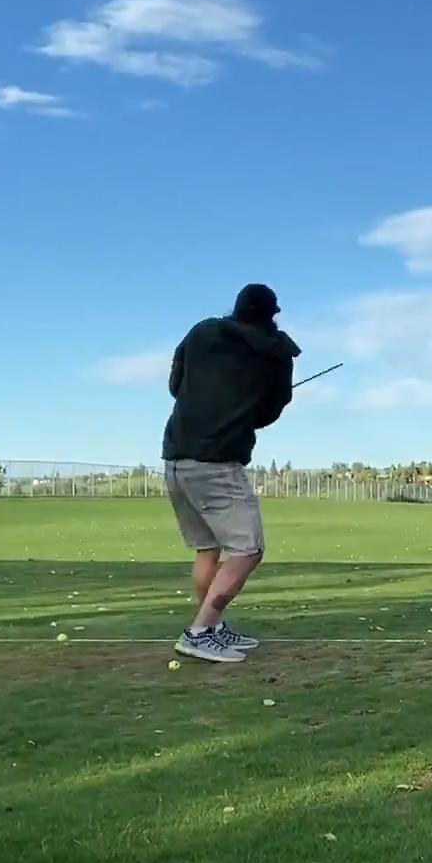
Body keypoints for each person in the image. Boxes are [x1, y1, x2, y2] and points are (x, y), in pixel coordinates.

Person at [161, 283, 301, 663]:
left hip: (175, 459)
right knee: (248, 550)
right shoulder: (276, 352)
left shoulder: (201, 332)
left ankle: (213, 628)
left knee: (208, 548)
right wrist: (243, 411)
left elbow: (176, 386)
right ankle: (200, 632)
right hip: (217, 464)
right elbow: (270, 411)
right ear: (272, 315)